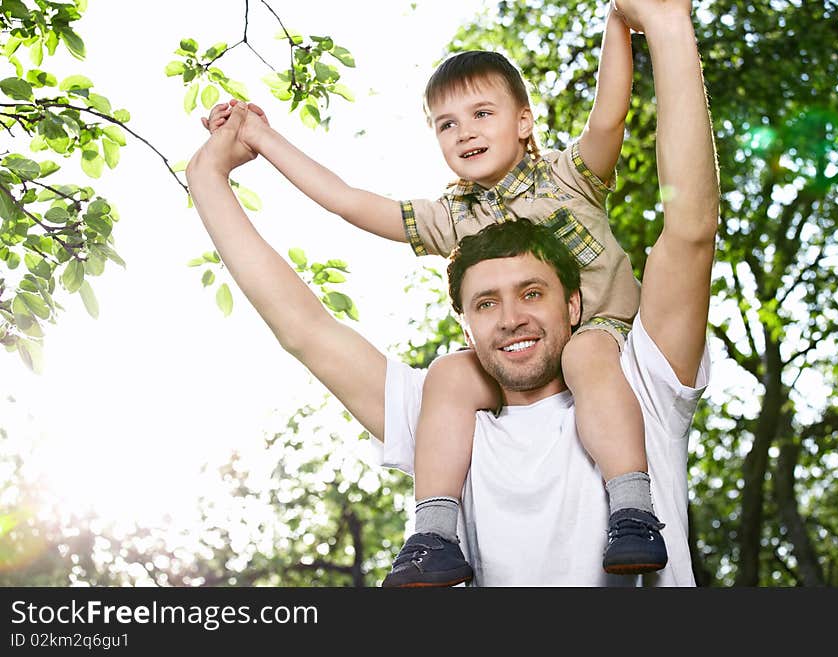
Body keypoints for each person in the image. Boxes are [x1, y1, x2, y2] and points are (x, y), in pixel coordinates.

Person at [186, 0, 718, 586]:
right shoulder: (449, 416)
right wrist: (236, 156)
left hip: (604, 346)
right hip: (486, 385)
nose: (511, 316)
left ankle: (632, 510)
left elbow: (662, 188)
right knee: (446, 372)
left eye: (532, 292)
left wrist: (639, 21)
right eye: (486, 303)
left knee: (585, 353)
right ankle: (431, 536)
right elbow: (322, 275)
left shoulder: (640, 377)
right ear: (463, 315)